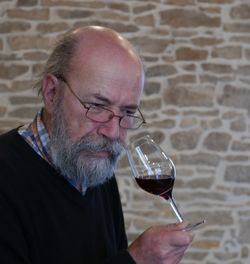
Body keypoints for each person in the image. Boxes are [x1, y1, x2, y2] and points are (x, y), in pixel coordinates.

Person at [0, 25, 193, 264]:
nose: (112, 132)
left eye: (127, 111)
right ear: (51, 93)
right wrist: (134, 260)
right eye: (98, 106)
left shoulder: (94, 165)